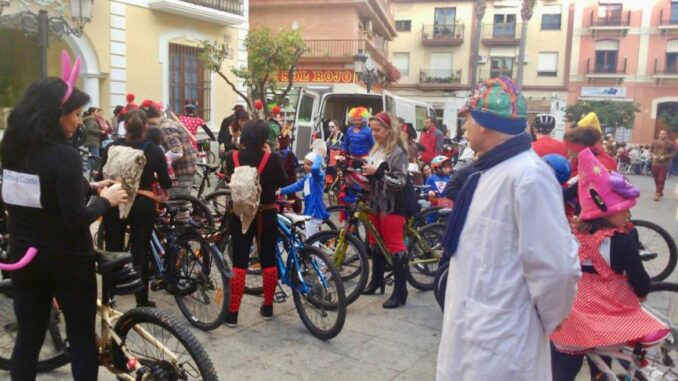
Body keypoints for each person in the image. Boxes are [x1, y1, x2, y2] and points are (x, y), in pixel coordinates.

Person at [436, 77, 580, 380]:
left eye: (468, 119)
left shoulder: (529, 177)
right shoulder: (487, 172)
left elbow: (557, 270)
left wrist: (542, 321)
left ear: (485, 123)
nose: (465, 127)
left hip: (504, 344)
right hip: (478, 331)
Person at [1, 67, 128, 380]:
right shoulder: (65, 156)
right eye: (75, 114)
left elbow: (39, 192)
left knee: (28, 340)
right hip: (67, 261)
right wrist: (105, 200)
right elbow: (75, 220)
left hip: (24, 258)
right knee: (82, 338)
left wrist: (89, 187)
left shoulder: (12, 152)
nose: (77, 121)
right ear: (55, 116)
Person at [550, 148, 669, 381]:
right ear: (605, 211)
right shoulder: (621, 241)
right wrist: (641, 294)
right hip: (610, 316)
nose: (628, 213)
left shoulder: (569, 234)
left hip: (571, 316)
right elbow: (640, 281)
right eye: (623, 208)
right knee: (605, 358)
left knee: (563, 370)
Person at [100, 107, 173, 307]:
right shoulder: (154, 150)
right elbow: (166, 182)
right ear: (145, 126)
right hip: (142, 203)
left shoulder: (112, 147)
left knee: (112, 250)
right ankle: (142, 300)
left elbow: (101, 176)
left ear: (125, 126)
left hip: (116, 200)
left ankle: (109, 296)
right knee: (141, 250)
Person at [224, 120, 288, 327]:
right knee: (268, 260)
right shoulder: (273, 158)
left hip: (241, 216)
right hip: (267, 214)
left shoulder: (232, 157)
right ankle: (268, 306)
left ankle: (233, 313)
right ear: (264, 138)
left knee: (239, 262)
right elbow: (283, 181)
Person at [360, 112, 410, 309]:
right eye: (372, 129)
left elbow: (400, 182)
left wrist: (378, 173)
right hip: (376, 201)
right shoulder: (376, 148)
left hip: (393, 204)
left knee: (395, 245)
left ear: (388, 130)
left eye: (377, 130)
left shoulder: (398, 152)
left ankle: (400, 291)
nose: (373, 133)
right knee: (374, 242)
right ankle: (377, 280)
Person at [280, 152, 329, 237]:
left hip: (315, 213)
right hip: (310, 212)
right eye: (305, 163)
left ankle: (314, 250)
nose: (306, 166)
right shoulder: (308, 177)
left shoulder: (318, 176)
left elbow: (315, 169)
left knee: (311, 242)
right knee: (309, 238)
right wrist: (281, 191)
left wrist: (319, 156)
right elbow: (296, 186)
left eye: (309, 164)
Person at [157, 102, 198, 199]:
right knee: (183, 204)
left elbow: (176, 151)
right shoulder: (171, 122)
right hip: (188, 168)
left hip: (181, 171)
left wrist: (161, 161)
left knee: (178, 207)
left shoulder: (165, 127)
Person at [563, 112, 617, 177]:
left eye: (572, 150)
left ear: (582, 149)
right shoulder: (576, 160)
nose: (568, 153)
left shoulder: (603, 163)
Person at [650, 130, 676, 201]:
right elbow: (650, 150)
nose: (662, 135)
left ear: (666, 135)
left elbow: (673, 152)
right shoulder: (654, 142)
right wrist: (653, 156)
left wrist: (665, 157)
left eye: (663, 134)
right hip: (655, 163)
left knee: (661, 179)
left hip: (664, 164)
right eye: (661, 134)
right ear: (659, 134)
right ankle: (660, 191)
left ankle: (657, 194)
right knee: (656, 178)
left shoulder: (670, 143)